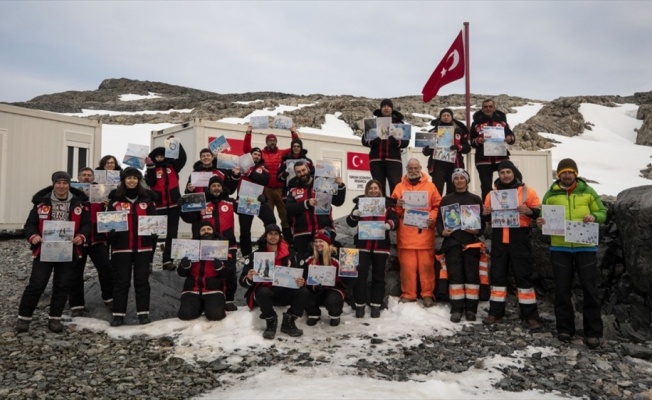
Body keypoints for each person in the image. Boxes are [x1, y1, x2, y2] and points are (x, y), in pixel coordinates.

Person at [537, 158, 606, 349]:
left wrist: (594, 217)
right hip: (560, 248)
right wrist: (541, 222)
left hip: (585, 247)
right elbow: (543, 215)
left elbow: (602, 212)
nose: (567, 175)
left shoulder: (588, 192)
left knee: (590, 290)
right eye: (563, 172)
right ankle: (565, 329)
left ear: (575, 174)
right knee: (561, 289)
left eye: (570, 172)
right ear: (558, 175)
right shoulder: (550, 194)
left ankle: (593, 332)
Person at [16, 171, 91, 333]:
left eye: (65, 183)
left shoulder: (79, 204)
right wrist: (33, 236)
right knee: (37, 284)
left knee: (62, 284)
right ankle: (24, 317)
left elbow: (86, 225)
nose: (62, 186)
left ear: (69, 185)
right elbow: (30, 225)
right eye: (58, 183)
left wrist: (81, 236)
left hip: (68, 250)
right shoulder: (41, 203)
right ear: (53, 184)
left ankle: (54, 318)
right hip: (44, 249)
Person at [481, 161, 541, 330]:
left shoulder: (527, 191)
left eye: (508, 172)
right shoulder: (492, 194)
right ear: (498, 175)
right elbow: (485, 217)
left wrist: (529, 212)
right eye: (502, 173)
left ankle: (530, 315)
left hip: (519, 237)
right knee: (498, 275)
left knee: (523, 275)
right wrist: (485, 214)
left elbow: (539, 211)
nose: (505, 175)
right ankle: (495, 312)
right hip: (499, 236)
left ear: (514, 172)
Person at [239, 224, 311, 339]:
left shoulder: (292, 255)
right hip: (266, 294)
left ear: (280, 236)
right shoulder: (255, 256)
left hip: (285, 291)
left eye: (276, 234)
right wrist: (249, 278)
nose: (273, 237)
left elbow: (304, 274)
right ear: (265, 236)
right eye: (270, 234)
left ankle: (289, 320)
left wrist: (301, 281)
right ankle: (271, 320)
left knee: (304, 291)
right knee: (262, 291)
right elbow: (242, 281)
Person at [107, 167, 158, 326]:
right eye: (128, 178)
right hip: (121, 249)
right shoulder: (115, 202)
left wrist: (153, 233)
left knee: (142, 281)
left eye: (135, 178)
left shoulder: (147, 201)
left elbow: (155, 224)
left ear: (139, 181)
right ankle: (118, 315)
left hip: (143, 248)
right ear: (123, 180)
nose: (131, 181)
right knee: (121, 282)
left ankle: (143, 314)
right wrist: (111, 234)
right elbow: (106, 227)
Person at [180, 175, 239, 311]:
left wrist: (261, 201)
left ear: (222, 187)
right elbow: (190, 218)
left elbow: (248, 208)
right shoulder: (202, 202)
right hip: (206, 245)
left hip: (228, 243)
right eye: (213, 186)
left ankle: (229, 300)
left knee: (230, 273)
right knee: (211, 272)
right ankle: (211, 300)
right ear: (209, 188)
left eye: (218, 185)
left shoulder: (230, 201)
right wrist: (182, 207)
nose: (216, 188)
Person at [435, 169, 484, 322]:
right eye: (456, 178)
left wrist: (477, 230)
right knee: (455, 277)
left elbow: (482, 223)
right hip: (452, 243)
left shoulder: (476, 199)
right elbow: (439, 222)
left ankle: (471, 309)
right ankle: (456, 309)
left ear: (467, 180)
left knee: (472, 277)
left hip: (471, 243)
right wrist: (443, 232)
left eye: (462, 178)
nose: (459, 181)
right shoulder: (446, 199)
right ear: (453, 181)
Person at [391, 159, 441, 307]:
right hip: (406, 236)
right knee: (407, 267)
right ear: (406, 169)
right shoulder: (399, 187)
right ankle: (408, 294)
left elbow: (438, 205)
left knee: (426, 267)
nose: (413, 170)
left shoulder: (431, 187)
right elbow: (393, 212)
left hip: (424, 235)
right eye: (410, 168)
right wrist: (398, 206)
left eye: (415, 168)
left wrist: (431, 218)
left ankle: (427, 294)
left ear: (420, 168)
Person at [346, 179, 398, 318]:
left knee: (379, 276)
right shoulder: (360, 203)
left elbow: (395, 220)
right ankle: (360, 305)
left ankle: (376, 305)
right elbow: (350, 223)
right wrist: (354, 214)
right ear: (366, 190)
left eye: (375, 188)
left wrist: (389, 224)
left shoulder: (387, 205)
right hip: (363, 245)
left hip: (381, 246)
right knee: (360, 276)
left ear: (380, 189)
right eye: (370, 188)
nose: (373, 190)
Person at [68, 167, 114, 317]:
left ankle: (109, 298)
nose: (87, 177)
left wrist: (108, 205)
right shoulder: (71, 194)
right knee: (75, 273)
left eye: (89, 175)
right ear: (79, 177)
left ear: (94, 177)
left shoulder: (100, 192)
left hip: (98, 239)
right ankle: (76, 305)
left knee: (106, 269)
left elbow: (110, 214)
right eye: (84, 175)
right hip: (77, 240)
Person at [243, 125, 299, 240]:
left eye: (273, 140)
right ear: (266, 142)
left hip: (280, 190)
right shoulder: (261, 154)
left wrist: (293, 133)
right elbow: (247, 150)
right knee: (269, 218)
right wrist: (248, 133)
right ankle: (269, 240)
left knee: (285, 216)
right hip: (266, 190)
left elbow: (295, 148)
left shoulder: (282, 153)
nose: (271, 142)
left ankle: (288, 242)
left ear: (276, 142)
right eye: (269, 140)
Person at [286, 160, 346, 259]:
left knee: (326, 263)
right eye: (299, 172)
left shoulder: (323, 184)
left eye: (303, 170)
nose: (302, 173)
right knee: (305, 265)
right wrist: (306, 204)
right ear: (295, 174)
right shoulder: (293, 191)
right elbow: (289, 209)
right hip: (302, 234)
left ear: (308, 169)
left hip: (324, 231)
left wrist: (340, 186)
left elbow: (338, 202)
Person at [145, 138, 187, 270]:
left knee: (172, 235)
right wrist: (151, 167)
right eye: (156, 156)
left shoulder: (173, 166)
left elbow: (183, 158)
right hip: (157, 207)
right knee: (152, 236)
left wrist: (175, 143)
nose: (159, 158)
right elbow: (151, 183)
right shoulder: (150, 170)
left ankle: (167, 261)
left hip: (174, 206)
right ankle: (149, 262)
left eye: (162, 155)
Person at [177, 221, 228, 321]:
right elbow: (181, 273)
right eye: (203, 230)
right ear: (199, 232)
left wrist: (220, 268)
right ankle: (198, 307)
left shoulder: (222, 247)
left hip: (213, 289)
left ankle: (211, 306)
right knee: (185, 315)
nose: (206, 231)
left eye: (209, 229)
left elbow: (230, 274)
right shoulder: (190, 247)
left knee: (216, 316)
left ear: (213, 231)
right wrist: (184, 266)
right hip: (192, 289)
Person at [231, 147, 277, 257]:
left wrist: (249, 172)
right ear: (249, 156)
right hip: (244, 202)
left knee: (271, 221)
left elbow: (264, 180)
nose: (256, 156)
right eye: (254, 154)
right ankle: (246, 255)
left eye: (258, 155)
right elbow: (232, 183)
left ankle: (265, 245)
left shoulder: (262, 167)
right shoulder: (240, 167)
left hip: (259, 201)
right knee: (245, 230)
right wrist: (236, 175)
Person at [470, 99, 516, 201]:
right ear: (482, 109)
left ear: (494, 108)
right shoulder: (476, 124)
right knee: (486, 187)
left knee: (512, 179)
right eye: (485, 107)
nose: (488, 109)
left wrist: (509, 138)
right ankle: (487, 210)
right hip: (483, 159)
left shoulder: (502, 122)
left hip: (501, 157)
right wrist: (478, 140)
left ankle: (509, 206)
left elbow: (511, 136)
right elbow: (471, 142)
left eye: (490, 106)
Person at [362, 99, 409, 197]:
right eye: (384, 106)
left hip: (394, 160)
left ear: (392, 109)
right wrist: (373, 142)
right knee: (378, 187)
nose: (386, 108)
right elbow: (364, 140)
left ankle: (394, 210)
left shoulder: (400, 124)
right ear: (381, 108)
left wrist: (396, 142)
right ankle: (380, 210)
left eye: (388, 106)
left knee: (395, 186)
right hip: (376, 160)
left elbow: (406, 142)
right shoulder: (372, 123)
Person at [422, 108, 471, 196]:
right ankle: (437, 208)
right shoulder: (433, 132)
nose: (446, 117)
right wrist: (429, 147)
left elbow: (467, 148)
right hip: (438, 165)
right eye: (443, 115)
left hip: (454, 165)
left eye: (448, 115)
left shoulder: (459, 132)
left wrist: (458, 147)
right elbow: (425, 152)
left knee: (452, 190)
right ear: (440, 118)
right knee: (437, 190)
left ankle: (451, 208)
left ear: (452, 117)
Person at [303, 228, 346, 327]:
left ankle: (335, 315)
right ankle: (313, 313)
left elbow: (346, 278)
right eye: (316, 241)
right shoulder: (309, 257)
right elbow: (302, 274)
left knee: (333, 299)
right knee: (303, 292)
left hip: (333, 289)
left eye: (321, 241)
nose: (318, 244)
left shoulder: (338, 257)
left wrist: (353, 270)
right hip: (314, 289)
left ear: (327, 242)